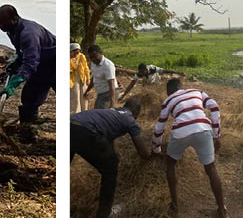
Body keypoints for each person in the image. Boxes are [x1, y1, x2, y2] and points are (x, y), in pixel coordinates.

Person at [153, 78, 227, 218]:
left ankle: (175, 206)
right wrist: (216, 135)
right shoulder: (196, 92)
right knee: (211, 168)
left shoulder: (168, 100)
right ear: (181, 87)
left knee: (171, 164)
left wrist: (156, 148)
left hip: (180, 132)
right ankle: (222, 210)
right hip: (203, 129)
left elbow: (160, 127)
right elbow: (215, 107)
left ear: (169, 91)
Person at [71, 98, 152, 218]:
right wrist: (155, 154)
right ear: (136, 114)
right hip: (86, 132)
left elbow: (107, 136)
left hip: (70, 124)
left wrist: (111, 153)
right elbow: (143, 153)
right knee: (111, 168)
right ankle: (104, 213)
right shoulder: (130, 120)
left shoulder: (111, 111)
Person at [0, 5, 56, 123]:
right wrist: (17, 62)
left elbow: (30, 63)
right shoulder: (11, 31)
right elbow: (24, 51)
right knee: (30, 96)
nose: (0, 26)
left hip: (55, 62)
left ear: (14, 19)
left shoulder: (29, 33)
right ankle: (30, 125)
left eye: (3, 23)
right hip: (41, 64)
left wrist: (16, 81)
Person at [85, 45, 119, 109]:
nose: (93, 59)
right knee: (98, 112)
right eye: (91, 57)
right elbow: (94, 77)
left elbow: (111, 84)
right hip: (101, 94)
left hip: (109, 94)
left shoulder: (107, 65)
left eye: (95, 57)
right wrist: (87, 90)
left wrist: (112, 103)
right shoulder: (93, 63)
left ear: (100, 53)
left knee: (102, 114)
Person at [70, 43, 90, 113]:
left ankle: (85, 113)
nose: (76, 55)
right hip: (73, 80)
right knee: (75, 98)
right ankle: (76, 114)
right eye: (74, 53)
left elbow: (86, 68)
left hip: (82, 78)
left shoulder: (81, 56)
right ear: (70, 51)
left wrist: (88, 78)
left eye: (78, 53)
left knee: (84, 97)